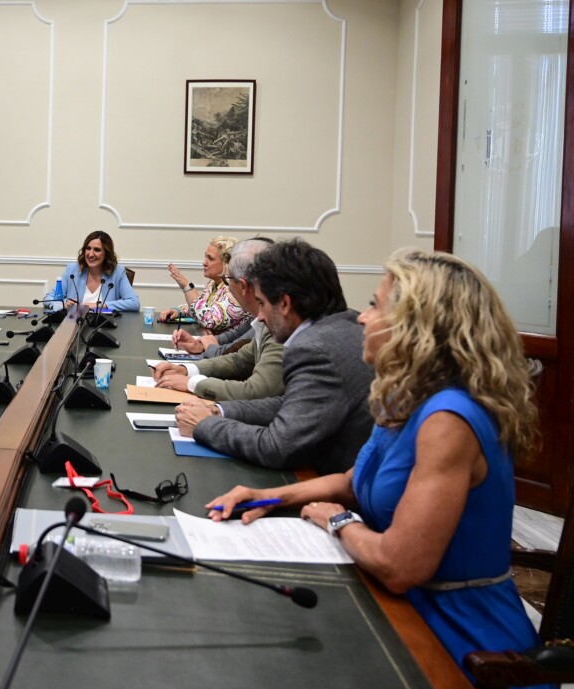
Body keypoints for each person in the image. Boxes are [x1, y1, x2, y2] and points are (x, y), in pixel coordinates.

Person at [207, 249, 543, 684]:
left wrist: (339, 522)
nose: (362, 319)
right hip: (398, 608)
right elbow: (355, 479)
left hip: (456, 641)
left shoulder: (449, 420)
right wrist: (269, 495)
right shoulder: (409, 398)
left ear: (415, 326)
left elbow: (402, 567)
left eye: (375, 305)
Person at [175, 238, 374, 475]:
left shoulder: (313, 348)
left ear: (285, 304)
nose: (259, 318)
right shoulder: (339, 324)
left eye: (262, 303)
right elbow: (290, 403)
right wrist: (221, 410)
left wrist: (206, 425)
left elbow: (277, 446)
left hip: (337, 484)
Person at [153, 238, 284, 401]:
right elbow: (239, 360)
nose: (227, 286)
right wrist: (185, 369)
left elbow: (255, 391)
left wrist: (192, 383)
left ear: (242, 285)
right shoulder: (265, 318)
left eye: (228, 280)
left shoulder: (279, 326)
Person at [161, 236, 247, 334]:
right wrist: (179, 311)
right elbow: (202, 307)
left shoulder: (235, 288)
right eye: (205, 256)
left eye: (210, 258)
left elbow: (209, 320)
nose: (204, 263)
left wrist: (187, 286)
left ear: (226, 263)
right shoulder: (212, 284)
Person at [40, 230, 139, 312]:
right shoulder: (72, 270)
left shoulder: (117, 272)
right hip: (75, 325)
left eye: (97, 250)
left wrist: (101, 305)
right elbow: (48, 299)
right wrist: (63, 305)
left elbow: (134, 303)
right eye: (88, 249)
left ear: (106, 253)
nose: (91, 254)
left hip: (104, 328)